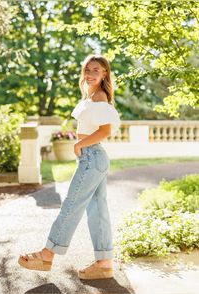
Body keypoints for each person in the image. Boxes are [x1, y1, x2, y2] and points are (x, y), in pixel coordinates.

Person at [18, 54, 121, 280]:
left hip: (91, 156)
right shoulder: (93, 96)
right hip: (94, 158)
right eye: (87, 69)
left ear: (105, 74)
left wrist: (79, 143)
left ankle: (47, 254)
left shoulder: (99, 97)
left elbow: (105, 130)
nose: (90, 73)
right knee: (97, 210)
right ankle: (104, 263)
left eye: (96, 70)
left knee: (71, 205)